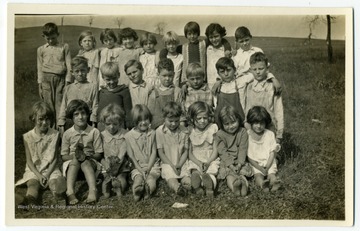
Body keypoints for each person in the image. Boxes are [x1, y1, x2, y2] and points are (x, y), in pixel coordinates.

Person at [15, 101, 66, 206]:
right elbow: (29, 161)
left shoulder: (55, 135)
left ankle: (59, 196)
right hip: (34, 169)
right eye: (41, 119)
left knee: (54, 183)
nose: (44, 122)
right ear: (34, 118)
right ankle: (29, 200)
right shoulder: (28, 137)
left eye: (47, 119)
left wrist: (47, 175)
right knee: (33, 184)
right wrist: (38, 175)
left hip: (51, 169)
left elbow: (55, 159)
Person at [61, 99, 103, 204]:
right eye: (76, 114)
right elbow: (63, 156)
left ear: (88, 114)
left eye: (83, 113)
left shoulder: (94, 131)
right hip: (72, 167)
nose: (80, 117)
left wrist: (89, 156)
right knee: (75, 162)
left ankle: (92, 191)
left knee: (85, 163)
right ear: (71, 117)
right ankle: (70, 191)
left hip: (89, 165)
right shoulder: (67, 134)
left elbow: (99, 153)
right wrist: (75, 157)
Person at [37, 22, 72, 125]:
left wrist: (68, 81)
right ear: (44, 37)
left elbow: (69, 64)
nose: (51, 41)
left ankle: (60, 131)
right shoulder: (41, 49)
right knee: (48, 106)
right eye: (48, 39)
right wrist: (40, 84)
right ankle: (50, 130)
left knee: (60, 104)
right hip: (46, 80)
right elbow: (39, 67)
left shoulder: (64, 47)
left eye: (53, 38)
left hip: (60, 79)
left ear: (58, 34)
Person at [244, 52, 284, 141]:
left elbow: (278, 110)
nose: (257, 72)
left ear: (267, 68)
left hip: (269, 125)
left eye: (261, 68)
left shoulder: (272, 86)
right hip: (253, 125)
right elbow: (247, 107)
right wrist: (247, 124)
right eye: (254, 69)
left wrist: (279, 134)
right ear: (250, 70)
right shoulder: (249, 86)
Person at [214, 106, 253, 197]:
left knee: (242, 173)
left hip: (240, 160)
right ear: (222, 124)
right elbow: (222, 152)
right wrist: (231, 165)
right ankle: (234, 187)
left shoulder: (242, 132)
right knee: (229, 175)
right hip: (227, 162)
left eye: (233, 122)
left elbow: (243, 149)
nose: (230, 126)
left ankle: (244, 186)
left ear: (238, 119)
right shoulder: (219, 134)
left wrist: (239, 164)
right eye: (226, 124)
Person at [125, 105, 160, 202]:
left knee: (152, 178)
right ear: (134, 121)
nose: (144, 122)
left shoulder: (152, 133)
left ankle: (148, 190)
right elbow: (131, 156)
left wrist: (149, 168)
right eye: (140, 120)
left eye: (146, 119)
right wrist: (140, 170)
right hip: (137, 166)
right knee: (138, 177)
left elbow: (154, 152)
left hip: (151, 165)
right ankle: (137, 189)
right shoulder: (128, 136)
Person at [156, 102, 191, 196]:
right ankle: (177, 188)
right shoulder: (159, 131)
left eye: (176, 121)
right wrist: (172, 165)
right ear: (164, 118)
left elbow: (185, 151)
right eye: (170, 121)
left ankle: (188, 185)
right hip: (167, 162)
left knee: (186, 176)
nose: (173, 124)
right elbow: (161, 152)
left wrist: (179, 164)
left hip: (181, 161)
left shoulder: (184, 130)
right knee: (171, 178)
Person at [187, 101, 219, 197]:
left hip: (210, 157)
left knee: (211, 171)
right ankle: (197, 187)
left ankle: (210, 186)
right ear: (192, 119)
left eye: (205, 118)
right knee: (195, 170)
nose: (202, 121)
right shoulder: (190, 131)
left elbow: (215, 149)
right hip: (196, 159)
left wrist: (209, 162)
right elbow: (189, 153)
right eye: (199, 118)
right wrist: (198, 163)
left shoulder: (212, 128)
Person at [57, 56, 98, 132]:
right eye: (77, 71)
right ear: (72, 72)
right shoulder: (68, 88)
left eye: (83, 70)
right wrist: (61, 121)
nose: (80, 74)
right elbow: (63, 106)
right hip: (71, 121)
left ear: (88, 70)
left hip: (86, 121)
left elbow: (95, 105)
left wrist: (93, 120)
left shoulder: (92, 87)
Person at [246, 106, 281, 192]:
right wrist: (260, 168)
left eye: (262, 123)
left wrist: (268, 166)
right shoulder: (247, 135)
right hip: (255, 163)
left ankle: (273, 182)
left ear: (266, 123)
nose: (259, 126)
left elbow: (272, 152)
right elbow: (249, 157)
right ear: (251, 123)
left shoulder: (269, 134)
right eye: (256, 123)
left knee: (272, 173)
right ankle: (263, 185)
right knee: (258, 175)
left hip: (268, 161)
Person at [99, 104, 131, 198]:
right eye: (108, 124)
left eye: (115, 124)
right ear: (103, 122)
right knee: (106, 177)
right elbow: (98, 154)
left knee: (122, 178)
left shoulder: (125, 134)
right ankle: (108, 187)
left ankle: (119, 187)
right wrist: (104, 163)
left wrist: (117, 166)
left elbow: (122, 153)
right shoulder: (101, 135)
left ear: (120, 123)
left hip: (121, 165)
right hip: (107, 166)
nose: (111, 127)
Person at [147, 58, 182, 129]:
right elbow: (150, 114)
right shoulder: (153, 92)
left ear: (174, 74)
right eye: (164, 76)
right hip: (157, 129)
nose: (167, 78)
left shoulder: (177, 91)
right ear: (158, 74)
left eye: (170, 75)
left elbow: (181, 113)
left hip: (174, 127)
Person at [98, 62, 132, 130]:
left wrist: (129, 126)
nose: (112, 82)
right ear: (103, 77)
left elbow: (128, 111)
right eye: (108, 79)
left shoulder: (124, 91)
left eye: (114, 78)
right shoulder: (101, 92)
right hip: (104, 126)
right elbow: (98, 111)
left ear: (118, 75)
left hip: (119, 126)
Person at [205, 23, 232, 90]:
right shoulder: (208, 48)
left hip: (222, 83)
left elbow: (228, 67)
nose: (214, 39)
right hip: (209, 83)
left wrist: (220, 81)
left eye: (216, 36)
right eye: (211, 37)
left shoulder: (225, 50)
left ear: (221, 35)